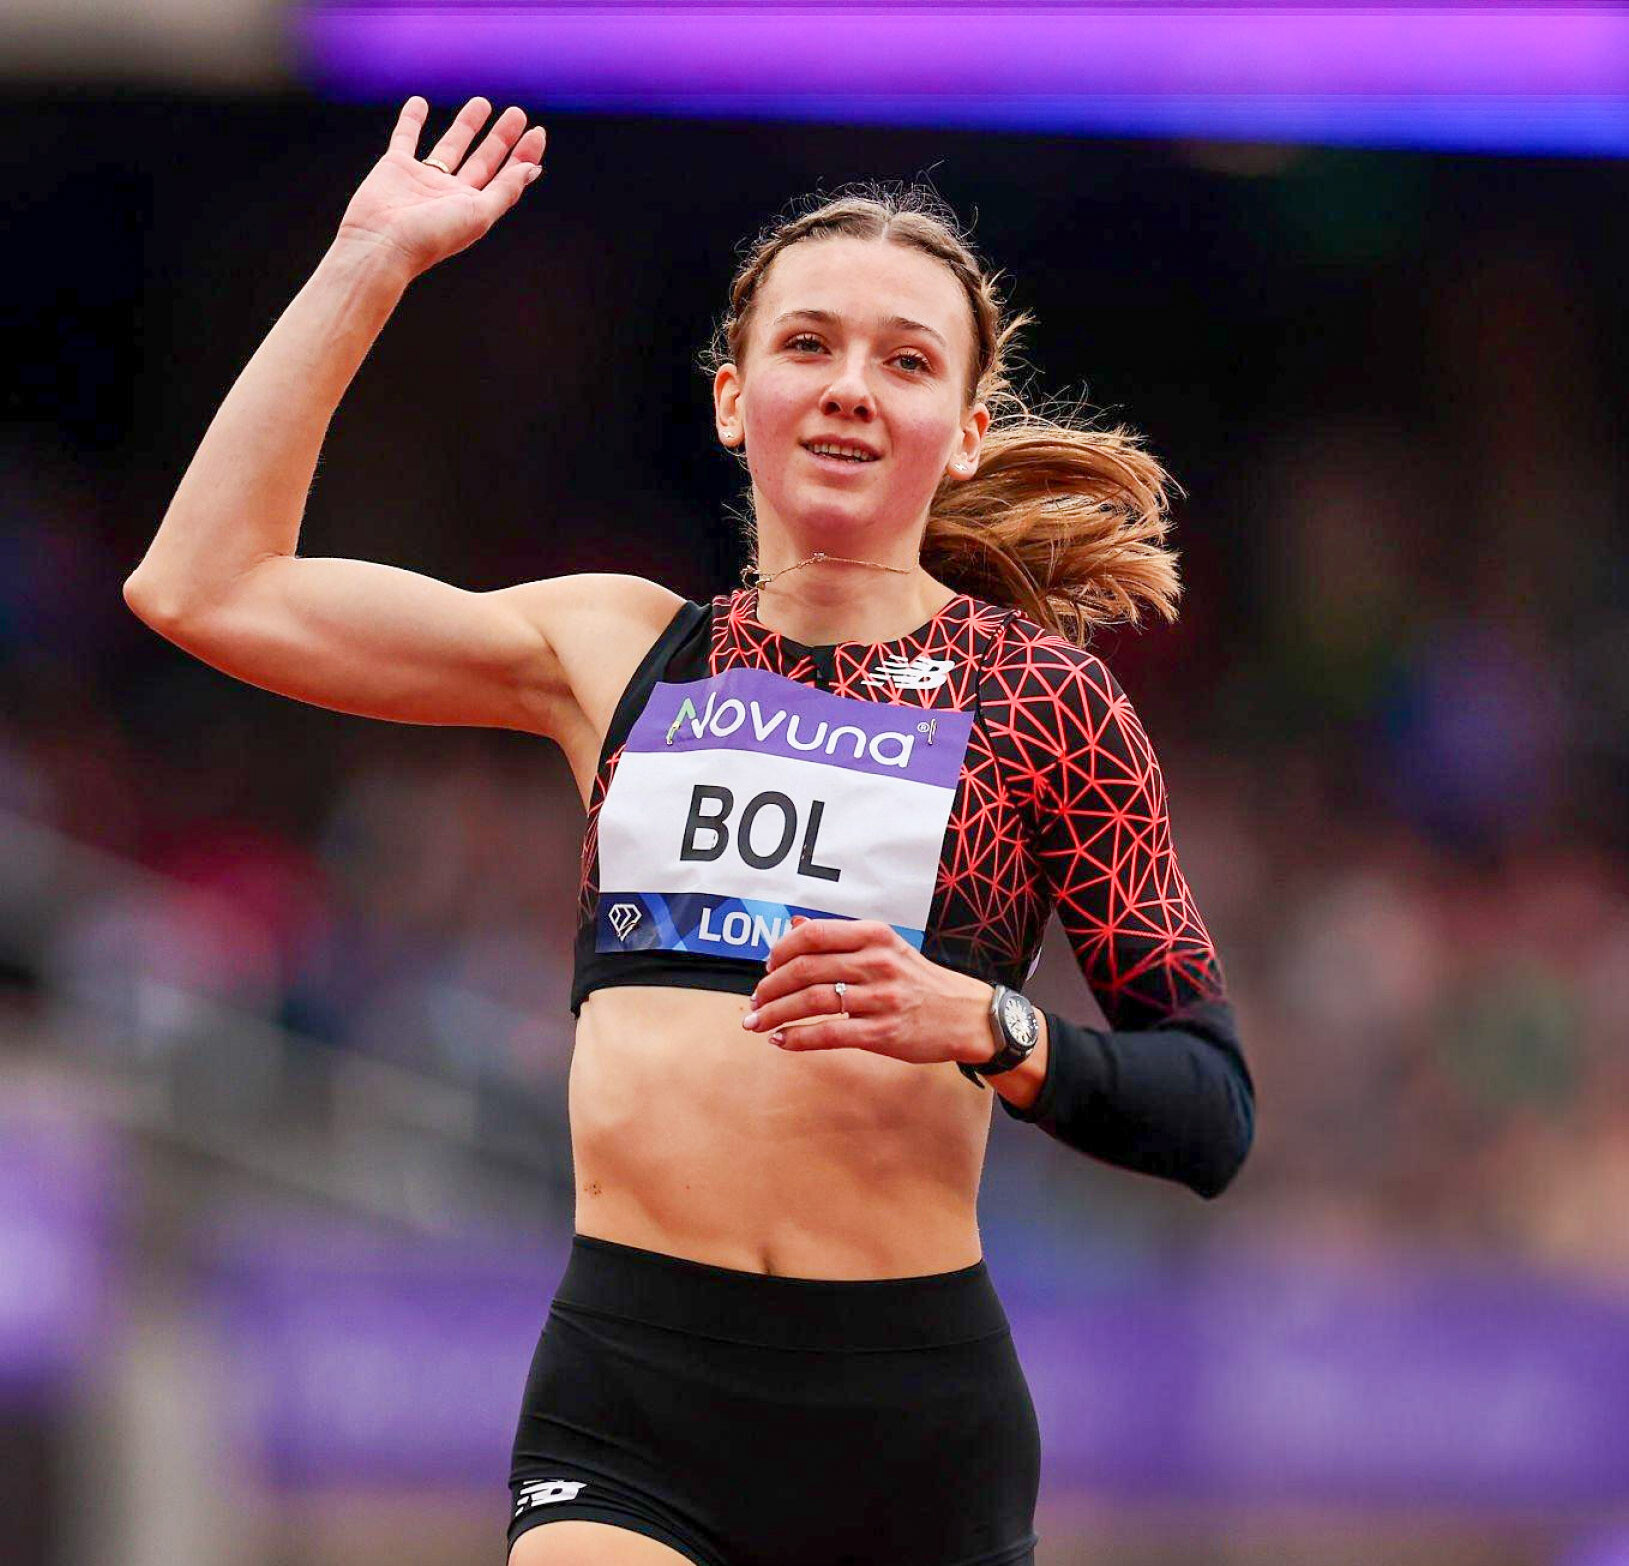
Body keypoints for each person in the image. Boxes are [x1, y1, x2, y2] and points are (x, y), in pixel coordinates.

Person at [124, 97, 1255, 1566]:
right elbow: (201, 587)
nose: (850, 388)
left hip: (910, 1420)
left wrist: (990, 1024)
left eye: (906, 361)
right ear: (733, 399)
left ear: (967, 432)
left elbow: (1208, 1106)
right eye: (808, 344)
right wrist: (368, 266)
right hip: (633, 1391)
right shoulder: (615, 650)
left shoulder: (1044, 705)